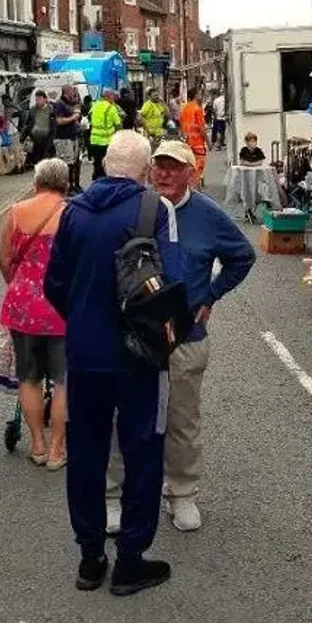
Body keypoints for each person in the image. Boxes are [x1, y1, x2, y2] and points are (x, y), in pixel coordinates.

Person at [44, 130, 185, 597]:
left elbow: (54, 284)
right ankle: (130, 559)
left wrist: (83, 320)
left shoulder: (72, 212)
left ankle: (90, 556)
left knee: (86, 453)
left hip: (85, 353)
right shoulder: (155, 209)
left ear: (105, 165)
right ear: (144, 171)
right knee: (143, 451)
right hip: (140, 355)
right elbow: (172, 281)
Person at [104, 141, 255, 533]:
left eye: (174, 167)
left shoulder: (207, 214)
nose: (164, 173)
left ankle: (182, 493)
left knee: (183, 419)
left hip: (185, 335)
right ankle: (112, 495)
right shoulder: (136, 207)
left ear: (193, 172)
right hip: (133, 335)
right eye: (159, 166)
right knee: (121, 416)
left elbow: (243, 256)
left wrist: (211, 295)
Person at [0, 158, 69, 470]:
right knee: (63, 380)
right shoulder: (72, 214)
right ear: (65, 184)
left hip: (24, 306)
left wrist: (20, 286)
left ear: (36, 182)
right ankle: (57, 450)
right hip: (62, 308)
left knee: (28, 377)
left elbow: (5, 261)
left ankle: (38, 445)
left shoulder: (16, 213)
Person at [88, 89, 124, 182]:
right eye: (112, 96)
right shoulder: (111, 108)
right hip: (106, 142)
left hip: (94, 140)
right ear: (107, 96)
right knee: (106, 166)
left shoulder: (95, 105)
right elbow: (118, 125)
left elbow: (89, 117)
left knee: (97, 165)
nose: (114, 98)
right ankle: (104, 184)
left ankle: (95, 183)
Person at [53, 86, 84, 192]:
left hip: (73, 137)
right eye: (72, 92)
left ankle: (74, 185)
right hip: (63, 139)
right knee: (66, 164)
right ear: (67, 92)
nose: (74, 94)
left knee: (75, 163)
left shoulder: (70, 104)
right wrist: (73, 118)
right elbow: (59, 121)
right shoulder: (59, 104)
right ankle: (66, 187)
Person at [180, 88, 208, 187]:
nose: (201, 96)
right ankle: (194, 189)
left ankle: (191, 187)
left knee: (190, 167)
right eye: (200, 94)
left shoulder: (184, 109)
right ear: (196, 95)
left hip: (188, 143)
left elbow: (182, 126)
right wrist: (208, 142)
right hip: (198, 143)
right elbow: (201, 128)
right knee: (198, 168)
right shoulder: (197, 109)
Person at [22, 90, 54, 165]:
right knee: (36, 160)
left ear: (45, 99)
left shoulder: (51, 110)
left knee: (46, 160)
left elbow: (54, 124)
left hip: (47, 139)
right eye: (36, 99)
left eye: (40, 99)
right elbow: (28, 124)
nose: (38, 101)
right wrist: (24, 136)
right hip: (35, 139)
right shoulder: (33, 110)